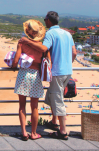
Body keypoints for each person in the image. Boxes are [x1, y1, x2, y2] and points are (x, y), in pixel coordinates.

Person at [11, 19, 50, 141]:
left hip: (23, 74)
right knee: (34, 107)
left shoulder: (22, 44)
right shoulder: (42, 46)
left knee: (22, 106)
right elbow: (47, 60)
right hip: (36, 75)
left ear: (27, 31)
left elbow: (16, 61)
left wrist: (12, 66)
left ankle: (24, 132)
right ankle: (33, 133)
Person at [41, 11, 77, 140]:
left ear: (48, 21)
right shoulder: (67, 34)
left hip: (57, 72)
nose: (45, 21)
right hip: (67, 71)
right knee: (52, 95)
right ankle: (54, 122)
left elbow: (44, 49)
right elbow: (74, 52)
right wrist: (68, 64)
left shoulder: (50, 33)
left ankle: (62, 131)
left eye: (45, 19)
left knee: (58, 100)